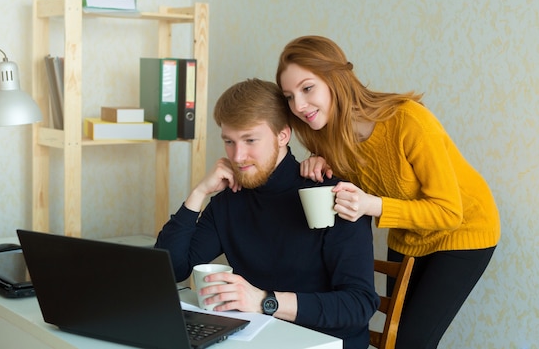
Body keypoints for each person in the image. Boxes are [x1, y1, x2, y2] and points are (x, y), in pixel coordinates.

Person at [276, 35, 501, 349]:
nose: (298, 106)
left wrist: (372, 205)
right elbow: (350, 188)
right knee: (394, 341)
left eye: (307, 88)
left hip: (464, 229)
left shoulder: (408, 121)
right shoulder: (322, 137)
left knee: (412, 343)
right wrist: (320, 164)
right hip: (408, 235)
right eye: (289, 96)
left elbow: (449, 212)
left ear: (335, 80)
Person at [155, 78, 379, 348]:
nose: (238, 156)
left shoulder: (333, 196)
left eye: (250, 140)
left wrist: (265, 301)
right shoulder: (229, 201)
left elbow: (358, 305)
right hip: (256, 340)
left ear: (283, 135)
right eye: (229, 141)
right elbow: (171, 270)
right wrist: (199, 193)